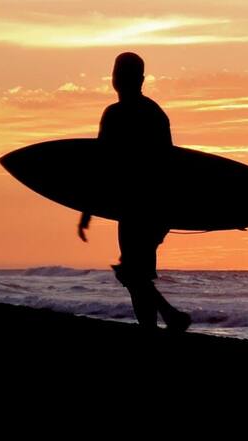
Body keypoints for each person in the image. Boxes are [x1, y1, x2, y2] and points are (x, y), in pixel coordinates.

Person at [77, 52, 192, 332]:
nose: (119, 79)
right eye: (117, 73)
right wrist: (88, 209)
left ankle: (170, 316)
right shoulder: (129, 113)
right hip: (133, 208)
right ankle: (156, 325)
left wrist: (87, 209)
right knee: (135, 274)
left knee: (133, 273)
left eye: (125, 74)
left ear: (140, 79)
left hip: (146, 207)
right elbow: (102, 165)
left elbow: (165, 166)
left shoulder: (139, 115)